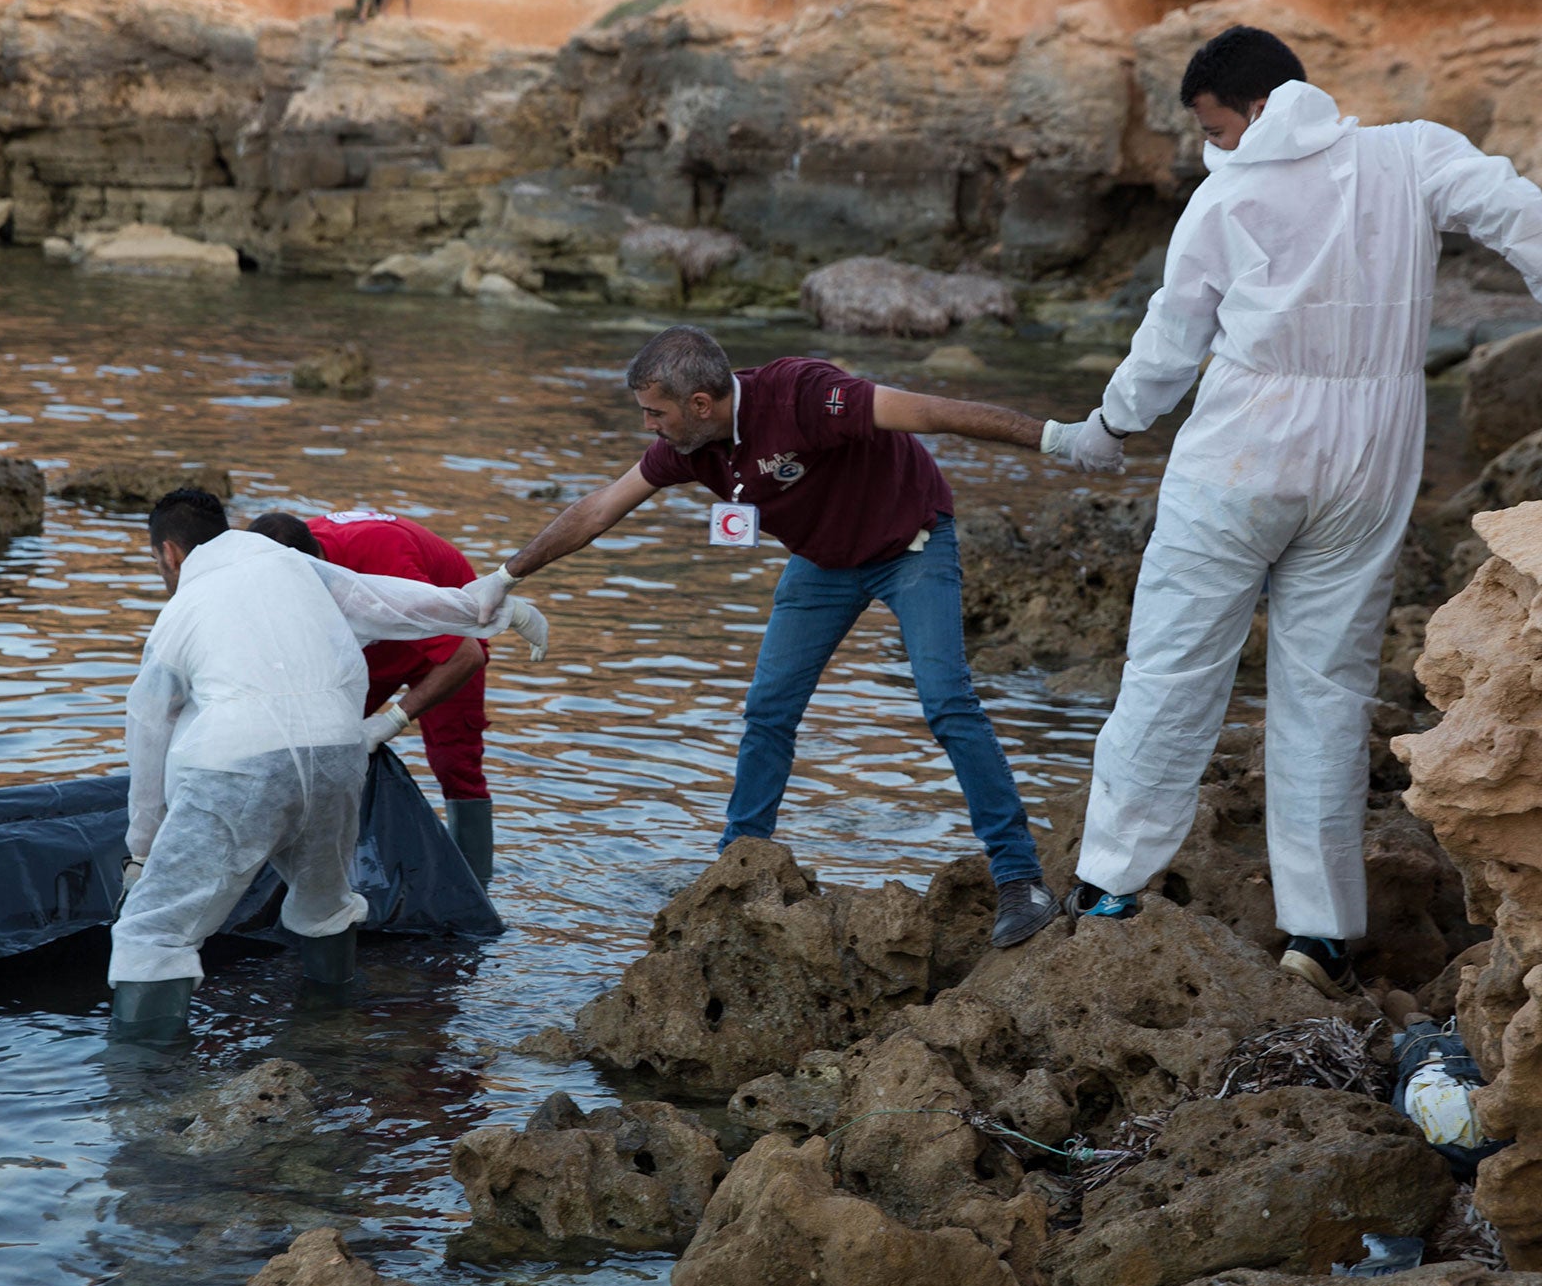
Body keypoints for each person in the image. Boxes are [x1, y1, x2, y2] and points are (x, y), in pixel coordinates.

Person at [1067, 24, 1542, 998]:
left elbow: (1167, 342)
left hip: (1237, 464)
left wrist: (1110, 421)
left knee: (1170, 673)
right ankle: (1314, 938)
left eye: (1214, 125)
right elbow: (1509, 201)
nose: (1211, 146)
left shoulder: (1226, 197)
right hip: (1365, 468)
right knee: (1323, 692)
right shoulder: (1407, 153)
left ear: (1256, 106)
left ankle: (1108, 885)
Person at [459, 326, 1114, 950]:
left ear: (700, 403)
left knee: (946, 701)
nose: (648, 427)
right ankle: (737, 870)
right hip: (824, 563)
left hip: (910, 543)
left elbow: (932, 411)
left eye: (655, 414)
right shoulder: (690, 448)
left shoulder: (805, 395)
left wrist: (1059, 439)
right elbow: (598, 508)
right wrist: (504, 576)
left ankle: (1021, 881)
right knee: (768, 711)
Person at [109, 489, 547, 1044]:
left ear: (170, 554)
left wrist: (141, 851)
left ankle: (140, 1084)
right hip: (340, 752)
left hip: (238, 768)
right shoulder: (296, 564)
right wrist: (502, 611)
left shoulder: (179, 613)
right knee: (326, 904)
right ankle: (333, 1033)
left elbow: (148, 733)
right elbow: (393, 602)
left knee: (154, 933)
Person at [248, 510, 498, 887]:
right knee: (317, 744)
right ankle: (301, 871)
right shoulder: (269, 557)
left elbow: (466, 657)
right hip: (370, 641)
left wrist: (391, 721)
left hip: (445, 638)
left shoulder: (387, 566)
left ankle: (477, 890)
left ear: (317, 567)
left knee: (455, 764)